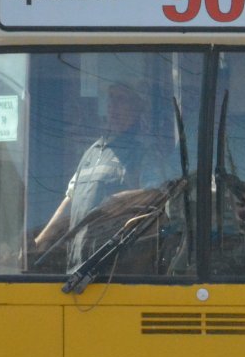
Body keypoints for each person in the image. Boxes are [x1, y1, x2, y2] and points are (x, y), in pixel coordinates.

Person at [32, 81, 178, 265]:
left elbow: (156, 196)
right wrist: (40, 242)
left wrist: (118, 202)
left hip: (117, 266)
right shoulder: (92, 153)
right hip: (79, 264)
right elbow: (70, 200)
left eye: (121, 100)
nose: (113, 107)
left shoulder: (144, 153)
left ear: (137, 108)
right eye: (111, 100)